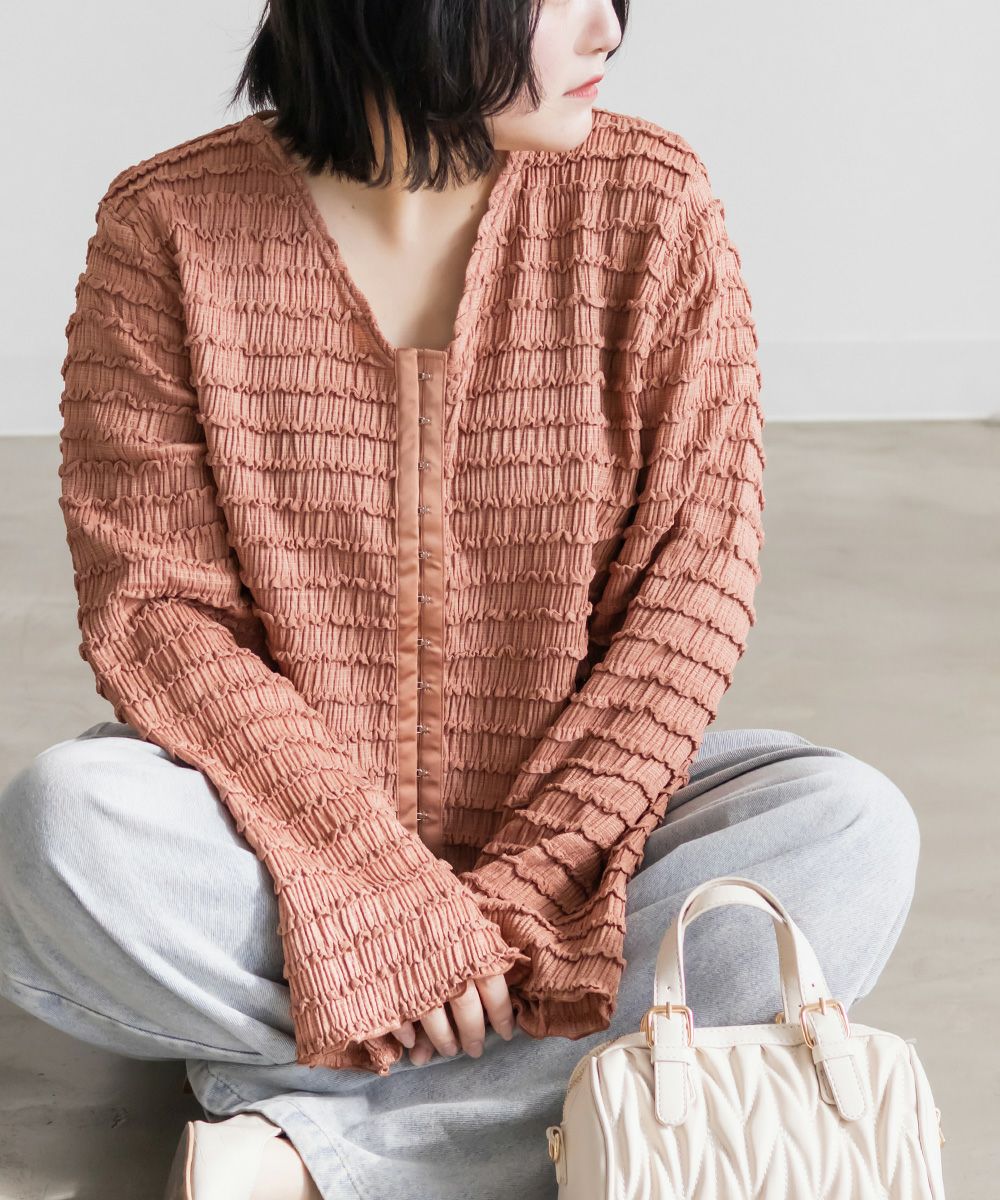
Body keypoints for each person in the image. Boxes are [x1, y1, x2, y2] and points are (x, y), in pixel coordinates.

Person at [0, 0, 922, 1197]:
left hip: (582, 859)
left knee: (847, 831)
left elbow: (685, 600)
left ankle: (315, 1147)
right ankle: (526, 1096)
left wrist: (529, 893)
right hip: (280, 847)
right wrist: (375, 895)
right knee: (67, 831)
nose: (606, 28)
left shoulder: (651, 204)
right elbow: (158, 616)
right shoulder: (167, 227)